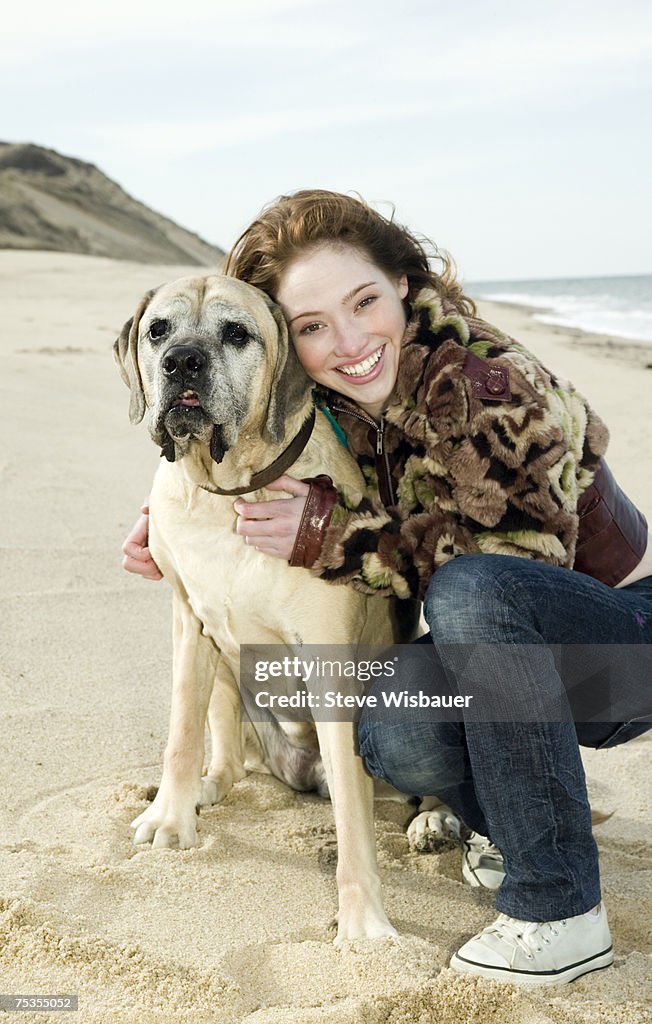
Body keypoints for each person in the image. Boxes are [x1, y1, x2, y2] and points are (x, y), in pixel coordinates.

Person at [122, 189, 652, 987]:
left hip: (610, 660)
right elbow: (265, 436)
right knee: (393, 736)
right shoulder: (330, 384)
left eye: (363, 301)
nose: (346, 341)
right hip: (508, 664)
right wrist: (177, 517)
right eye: (311, 326)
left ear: (403, 283)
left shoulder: (486, 388)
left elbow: (512, 577)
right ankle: (504, 817)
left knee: (471, 594)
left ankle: (559, 905)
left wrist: (331, 538)